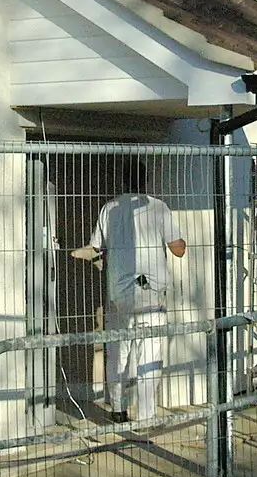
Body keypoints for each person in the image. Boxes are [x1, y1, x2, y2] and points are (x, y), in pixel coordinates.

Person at [70, 160, 186, 423]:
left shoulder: (109, 209)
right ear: (146, 180)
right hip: (152, 295)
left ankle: (119, 410)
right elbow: (178, 249)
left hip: (119, 294)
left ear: (123, 181)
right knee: (150, 358)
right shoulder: (158, 208)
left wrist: (77, 254)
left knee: (118, 353)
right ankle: (146, 416)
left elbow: (96, 249)